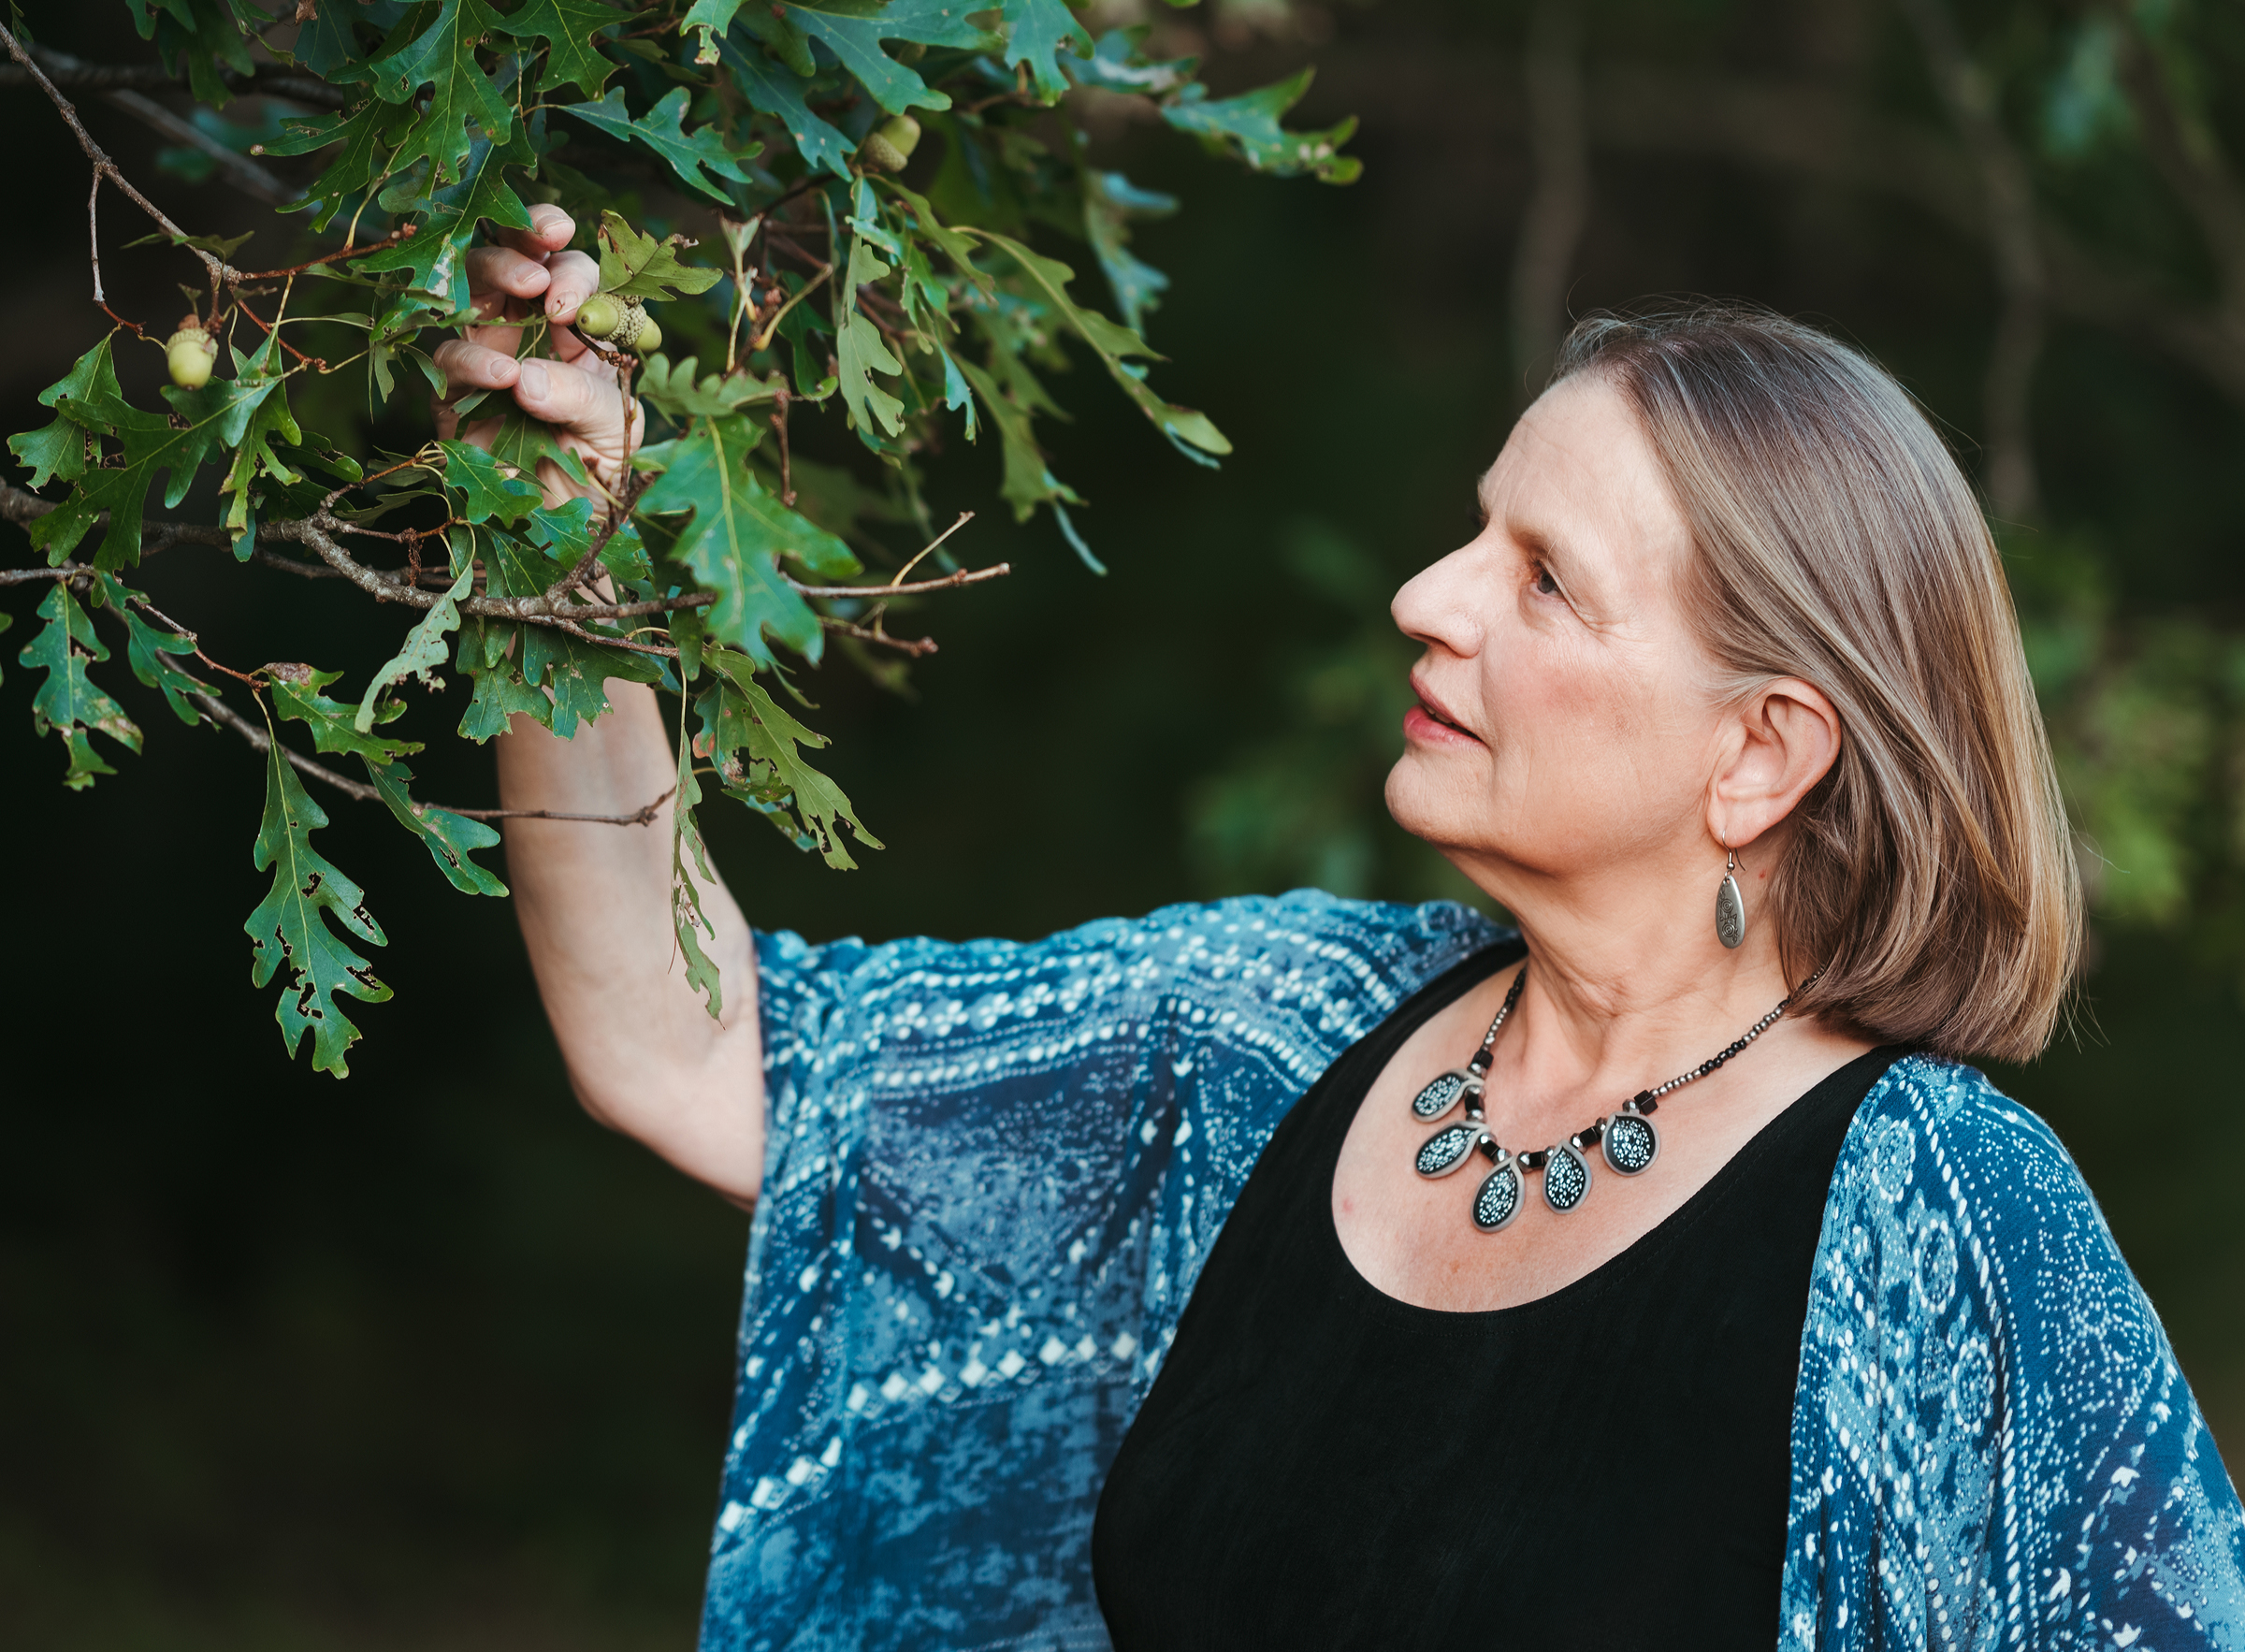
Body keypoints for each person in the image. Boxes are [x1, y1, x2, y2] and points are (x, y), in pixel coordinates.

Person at [441, 206, 2245, 1651]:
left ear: (1760, 750)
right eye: (1479, 531)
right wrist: (554, 560)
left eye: (1545, 579)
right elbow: (686, 1043)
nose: (1429, 597)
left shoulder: (1944, 1230)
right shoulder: (1267, 1038)